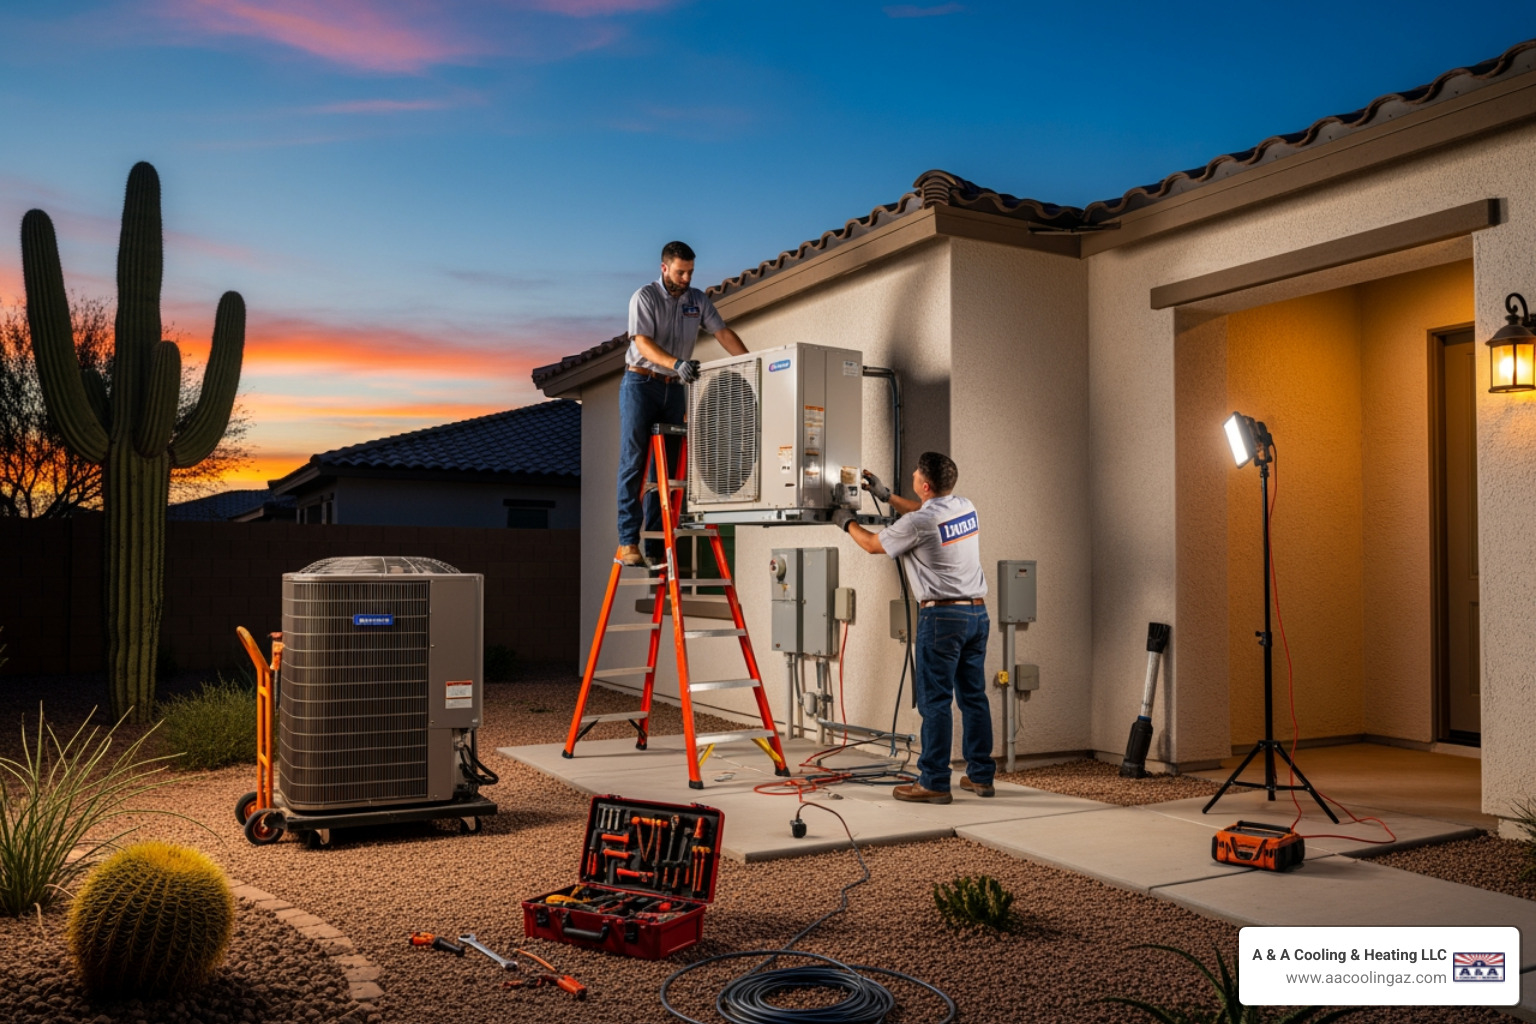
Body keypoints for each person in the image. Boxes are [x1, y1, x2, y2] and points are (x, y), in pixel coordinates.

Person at [831, 453, 994, 804]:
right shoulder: (965, 506)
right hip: (977, 616)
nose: (914, 475)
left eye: (917, 473)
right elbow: (922, 515)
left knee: (935, 702)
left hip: (943, 619)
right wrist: (887, 496)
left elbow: (874, 545)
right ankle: (981, 776)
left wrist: (845, 523)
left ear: (925, 485)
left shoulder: (918, 524)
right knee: (973, 698)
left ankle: (934, 781)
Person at [616, 241, 748, 567]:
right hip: (641, 384)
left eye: (690, 272)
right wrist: (676, 363)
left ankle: (657, 548)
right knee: (634, 461)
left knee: (667, 470)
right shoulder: (644, 297)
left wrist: (751, 362)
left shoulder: (697, 300)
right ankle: (628, 541)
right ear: (664, 268)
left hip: (674, 389)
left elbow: (722, 332)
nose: (687, 278)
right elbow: (643, 343)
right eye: (680, 272)